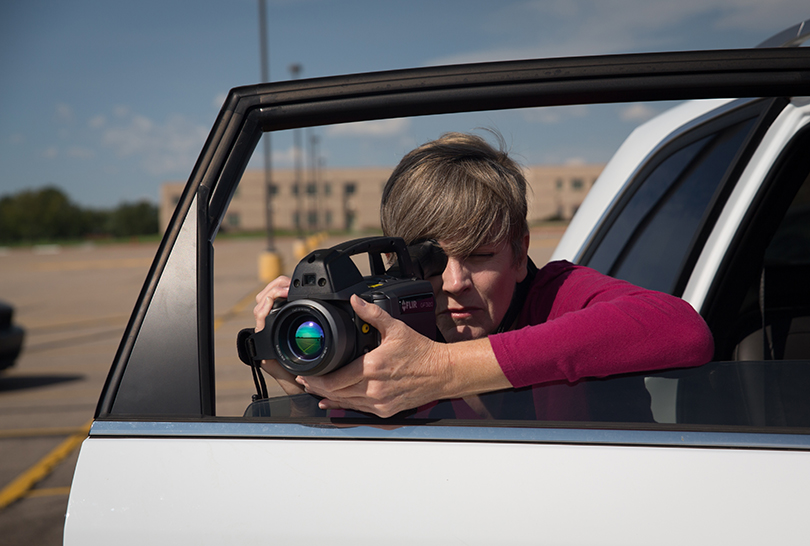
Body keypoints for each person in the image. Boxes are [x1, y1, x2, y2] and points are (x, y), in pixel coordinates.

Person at [254, 131, 714, 419]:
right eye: (431, 261)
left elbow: (683, 329)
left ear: (519, 252)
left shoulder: (555, 296)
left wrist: (442, 371)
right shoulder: (386, 342)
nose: (455, 281)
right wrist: (304, 387)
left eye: (479, 256)